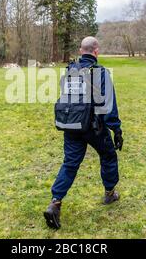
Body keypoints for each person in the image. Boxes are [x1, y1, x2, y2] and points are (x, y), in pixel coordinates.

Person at [44, 36, 124, 230]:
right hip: (94, 127)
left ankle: (55, 202)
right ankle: (109, 193)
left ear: (81, 51)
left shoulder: (70, 70)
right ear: (96, 52)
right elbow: (108, 105)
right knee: (108, 156)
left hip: (72, 125)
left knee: (70, 164)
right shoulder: (100, 72)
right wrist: (116, 129)